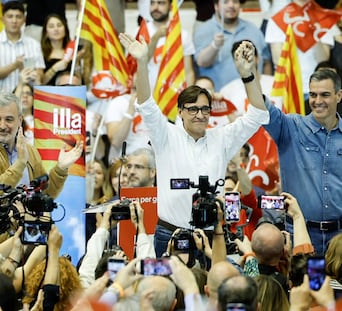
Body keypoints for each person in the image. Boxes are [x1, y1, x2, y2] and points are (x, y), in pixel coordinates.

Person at [119, 33, 270, 256]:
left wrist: (248, 75)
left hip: (211, 237)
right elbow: (146, 103)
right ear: (180, 112)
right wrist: (142, 63)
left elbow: (257, 113)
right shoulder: (166, 135)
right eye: (192, 109)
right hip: (169, 235)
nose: (199, 115)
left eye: (205, 109)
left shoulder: (222, 138)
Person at [0, 92, 83, 240]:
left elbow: (45, 195)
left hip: (28, 236)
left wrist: (61, 169)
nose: (2, 126)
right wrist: (20, 163)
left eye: (9, 119)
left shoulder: (30, 151)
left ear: (20, 120)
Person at [263, 68, 342, 255]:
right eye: (313, 95)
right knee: (308, 284)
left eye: (325, 95)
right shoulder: (291, 127)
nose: (317, 101)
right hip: (301, 234)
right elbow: (262, 108)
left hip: (339, 238)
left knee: (337, 285)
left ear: (339, 96)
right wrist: (248, 75)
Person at [0, 0, 45, 119]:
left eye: (18, 17)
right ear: (2, 19)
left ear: (24, 20)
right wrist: (15, 65)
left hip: (27, 108)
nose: (14, 21)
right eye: (10, 16)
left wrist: (32, 73)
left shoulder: (34, 44)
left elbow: (41, 75)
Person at [265, 0, 340, 97]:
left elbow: (324, 59)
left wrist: (313, 33)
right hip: (288, 90)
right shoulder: (277, 20)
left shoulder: (321, 16)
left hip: (316, 89)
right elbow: (278, 60)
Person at [194, 0, 271, 91]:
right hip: (220, 99)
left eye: (235, 2)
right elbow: (201, 63)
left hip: (252, 97)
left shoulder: (253, 30)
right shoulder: (204, 30)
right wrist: (214, 46)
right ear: (216, 6)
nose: (231, 5)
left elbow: (266, 63)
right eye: (225, 2)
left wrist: (267, 90)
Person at [142, 0, 195, 89]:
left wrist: (189, 98)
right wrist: (156, 38)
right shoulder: (141, 32)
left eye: (161, 3)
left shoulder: (183, 35)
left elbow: (188, 71)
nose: (155, 7)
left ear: (171, 6)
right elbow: (140, 62)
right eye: (152, 3)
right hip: (148, 92)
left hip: (174, 93)